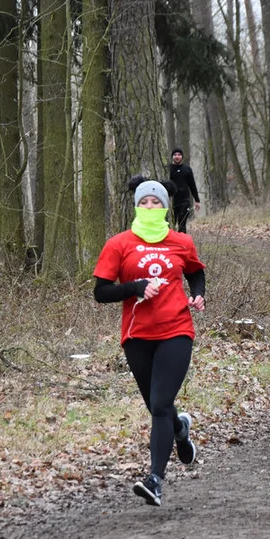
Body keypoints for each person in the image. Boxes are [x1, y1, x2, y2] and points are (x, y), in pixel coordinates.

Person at [93, 177, 206, 507]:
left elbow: (196, 273)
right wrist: (135, 287)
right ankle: (180, 432)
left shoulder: (181, 242)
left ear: (165, 206)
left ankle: (154, 480)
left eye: (156, 202)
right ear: (136, 206)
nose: (150, 207)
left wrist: (198, 294)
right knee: (159, 406)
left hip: (176, 331)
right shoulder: (119, 244)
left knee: (159, 405)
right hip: (136, 336)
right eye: (145, 202)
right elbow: (101, 293)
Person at [168, 148, 201, 233]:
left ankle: (181, 244)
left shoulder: (187, 169)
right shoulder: (168, 169)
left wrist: (197, 200)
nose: (177, 157)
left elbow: (192, 185)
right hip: (171, 201)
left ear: (182, 157)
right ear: (172, 157)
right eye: (175, 155)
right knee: (170, 224)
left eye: (179, 155)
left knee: (182, 225)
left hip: (184, 201)